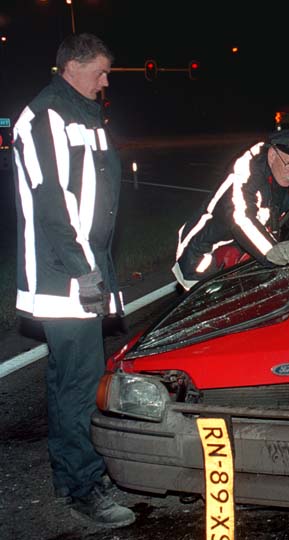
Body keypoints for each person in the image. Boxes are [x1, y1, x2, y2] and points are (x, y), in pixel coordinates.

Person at [11, 33, 136, 528]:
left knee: (69, 381)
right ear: (73, 66)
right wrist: (85, 270)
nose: (106, 82)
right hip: (63, 277)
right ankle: (86, 487)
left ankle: (71, 476)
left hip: (84, 270)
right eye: (101, 71)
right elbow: (52, 202)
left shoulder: (85, 114)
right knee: (82, 383)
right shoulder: (45, 116)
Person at [172, 128, 289, 290]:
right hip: (203, 252)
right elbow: (242, 218)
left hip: (242, 251)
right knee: (207, 307)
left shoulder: (285, 157)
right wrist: (272, 251)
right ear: (272, 155)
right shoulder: (246, 173)